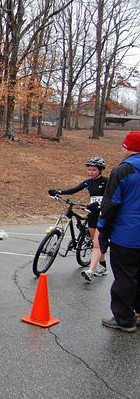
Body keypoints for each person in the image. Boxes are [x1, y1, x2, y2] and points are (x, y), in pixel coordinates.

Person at [98, 131, 140, 333]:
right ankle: (137, 312)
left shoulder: (122, 171)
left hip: (127, 235)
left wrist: (102, 229)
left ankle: (124, 319)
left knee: (124, 277)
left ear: (128, 147)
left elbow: (111, 204)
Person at [47, 157, 108, 282]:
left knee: (97, 245)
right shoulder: (88, 182)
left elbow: (111, 197)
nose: (91, 172)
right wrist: (58, 192)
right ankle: (103, 266)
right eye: (89, 170)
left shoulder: (107, 181)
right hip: (92, 213)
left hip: (103, 214)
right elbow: (75, 189)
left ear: (101, 170)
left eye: (94, 170)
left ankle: (91, 271)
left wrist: (99, 205)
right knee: (96, 243)